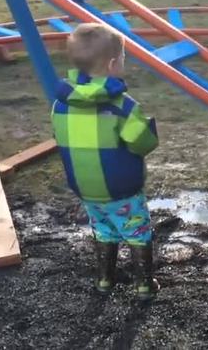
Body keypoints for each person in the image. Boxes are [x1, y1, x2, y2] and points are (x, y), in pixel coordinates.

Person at [51, 23, 161, 300]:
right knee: (137, 230)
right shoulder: (122, 106)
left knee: (103, 229)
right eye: (123, 59)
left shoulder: (60, 105)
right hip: (121, 188)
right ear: (113, 64)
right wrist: (149, 130)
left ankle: (104, 280)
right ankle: (144, 285)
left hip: (86, 189)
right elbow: (143, 144)